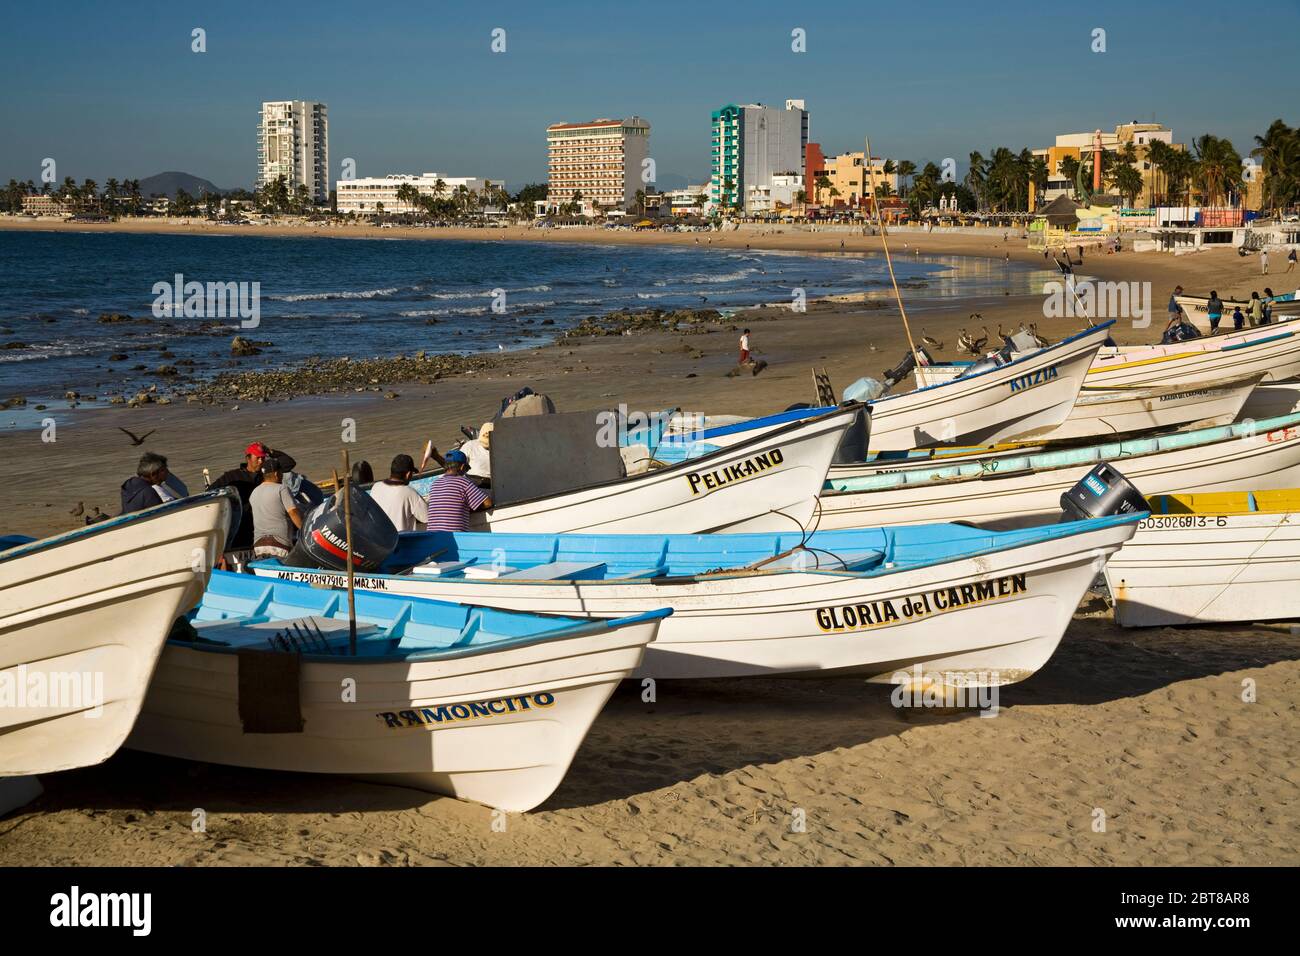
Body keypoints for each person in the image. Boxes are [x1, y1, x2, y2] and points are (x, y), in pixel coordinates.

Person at [210, 441, 269, 549]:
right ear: (248, 458)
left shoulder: (266, 476)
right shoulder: (232, 476)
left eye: (263, 458)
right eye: (258, 458)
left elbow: (288, 464)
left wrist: (271, 451)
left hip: (260, 525)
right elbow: (211, 491)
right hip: (238, 525)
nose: (261, 461)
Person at [248, 456, 302, 559]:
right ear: (277, 474)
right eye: (281, 473)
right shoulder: (281, 489)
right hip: (279, 544)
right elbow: (293, 512)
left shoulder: (254, 493)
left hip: (259, 545)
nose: (282, 476)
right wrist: (304, 530)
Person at [425, 449, 492, 532]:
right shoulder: (463, 482)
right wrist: (471, 506)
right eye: (466, 469)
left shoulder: (435, 484)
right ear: (462, 467)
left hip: (433, 537)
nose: (466, 472)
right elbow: (488, 503)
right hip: (454, 538)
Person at [369, 454, 428, 532]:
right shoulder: (409, 493)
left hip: (379, 540)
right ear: (408, 474)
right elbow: (429, 518)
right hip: (401, 542)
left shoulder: (375, 487)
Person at [120, 452, 186, 514]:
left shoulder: (129, 485)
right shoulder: (148, 492)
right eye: (163, 470)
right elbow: (160, 516)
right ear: (153, 474)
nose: (167, 472)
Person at [462, 422, 492, 487]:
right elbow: (459, 465)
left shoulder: (501, 447)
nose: (486, 434)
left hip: (493, 483)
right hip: (473, 482)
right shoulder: (469, 445)